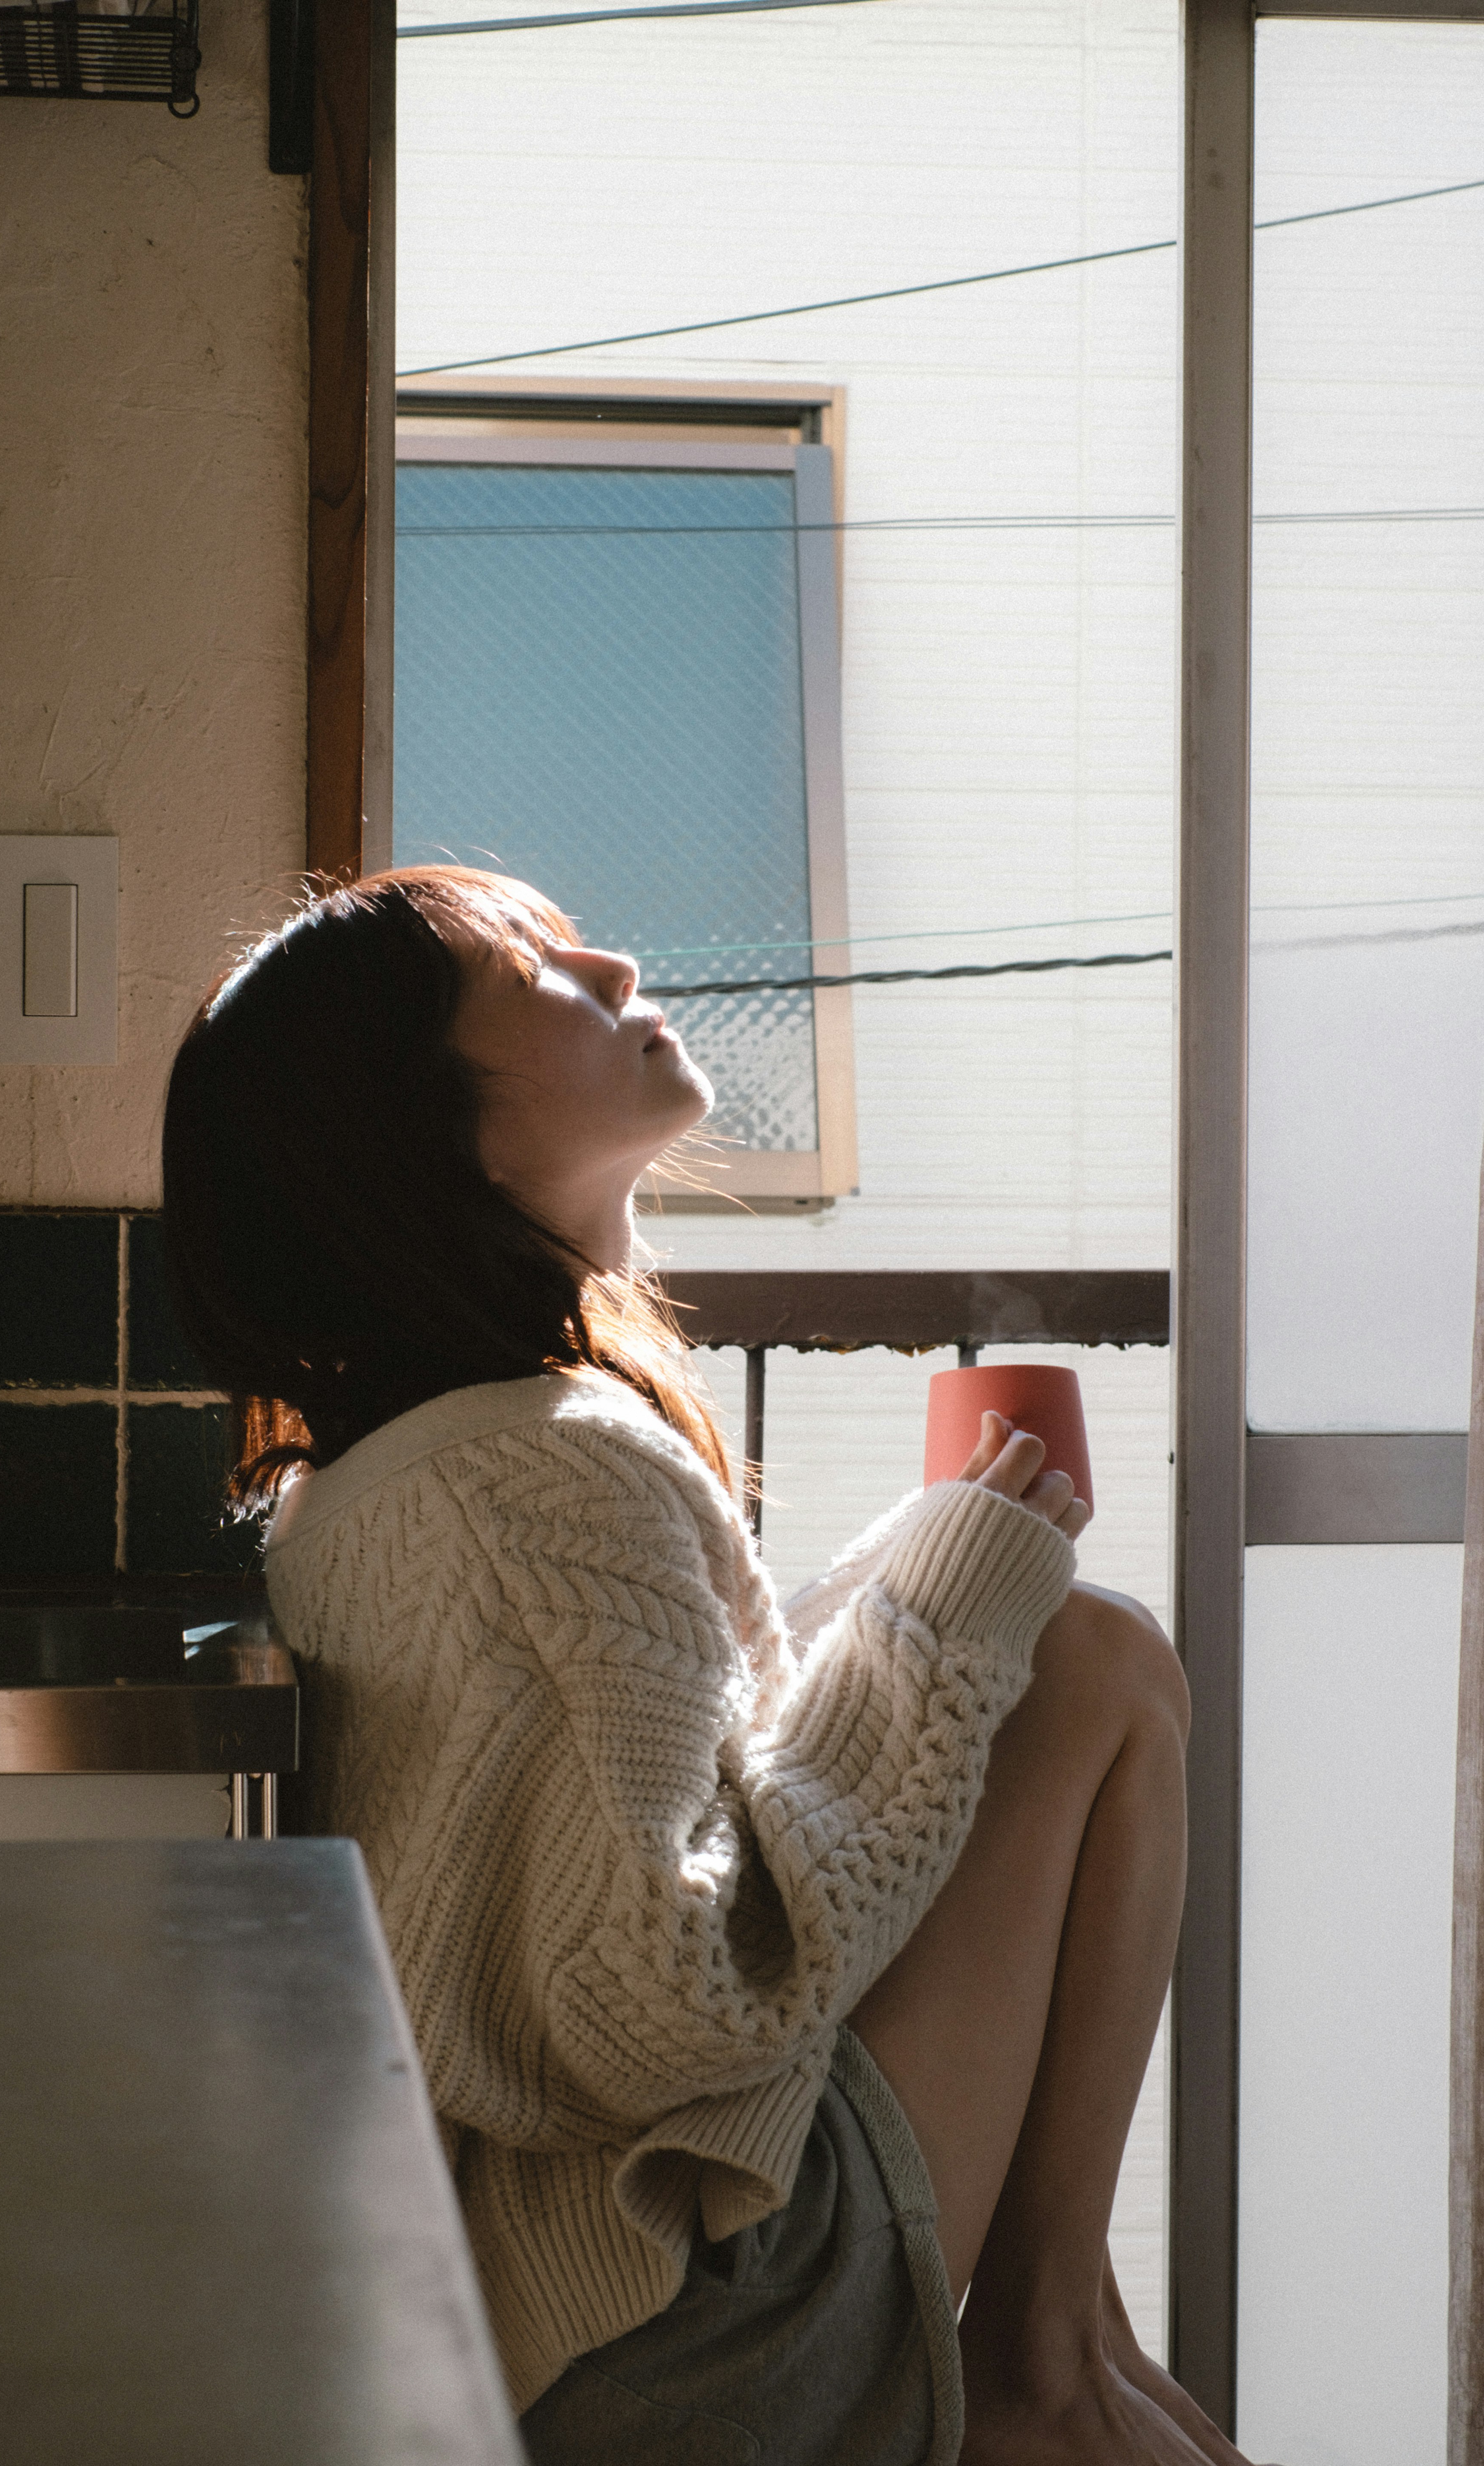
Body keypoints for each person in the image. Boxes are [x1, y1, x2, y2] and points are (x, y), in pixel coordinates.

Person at [162, 865, 1256, 2466]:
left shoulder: (378, 1477)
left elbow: (647, 1782)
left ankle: (1064, 2343)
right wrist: (941, 1615)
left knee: (1048, 1632)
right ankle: (1043, 2365)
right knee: (1093, 1657)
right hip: (686, 2332)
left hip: (541, 2312)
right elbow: (667, 2009)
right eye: (529, 969)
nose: (605, 960)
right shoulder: (547, 1468)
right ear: (431, 1133)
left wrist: (912, 1578)